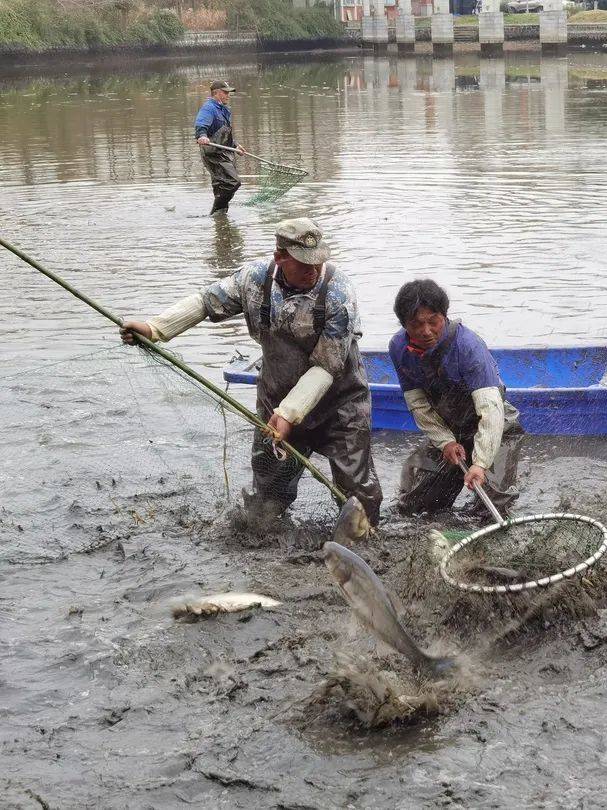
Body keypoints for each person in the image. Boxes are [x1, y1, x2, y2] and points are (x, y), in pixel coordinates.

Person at [120, 218, 383, 529]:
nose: (313, 269)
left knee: (357, 494)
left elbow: (326, 367)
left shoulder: (338, 294)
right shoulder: (255, 280)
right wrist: (156, 329)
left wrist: (289, 413)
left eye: (317, 261)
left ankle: (366, 547)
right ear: (281, 257)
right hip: (277, 398)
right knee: (267, 496)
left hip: (339, 405)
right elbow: (207, 301)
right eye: (303, 263)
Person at [389, 279, 525, 516]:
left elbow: (491, 410)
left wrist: (480, 464)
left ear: (444, 315)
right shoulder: (398, 347)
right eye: (416, 324)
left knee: (493, 509)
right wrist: (445, 442)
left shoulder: (467, 346)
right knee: (416, 506)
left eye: (433, 321)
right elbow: (418, 404)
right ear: (404, 325)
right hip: (451, 430)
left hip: (496, 426)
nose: (426, 331)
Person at [195, 80, 245, 215]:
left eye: (229, 92)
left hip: (225, 152)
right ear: (216, 93)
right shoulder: (209, 108)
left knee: (221, 187)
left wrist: (235, 145)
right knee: (233, 182)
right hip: (213, 153)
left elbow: (224, 132)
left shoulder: (225, 110)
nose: (228, 95)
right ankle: (215, 213)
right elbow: (201, 124)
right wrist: (201, 135)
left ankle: (221, 218)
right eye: (225, 92)